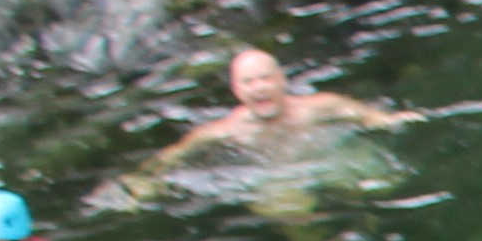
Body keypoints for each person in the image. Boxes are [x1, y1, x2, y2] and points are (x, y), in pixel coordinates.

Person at [166, 46, 412, 154]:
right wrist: (149, 178)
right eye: (248, 82)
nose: (259, 87)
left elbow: (361, 113)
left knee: (382, 181)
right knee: (286, 208)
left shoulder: (316, 107)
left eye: (265, 78)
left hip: (327, 158)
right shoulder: (230, 129)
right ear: (236, 91)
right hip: (280, 177)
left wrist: (388, 120)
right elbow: (179, 151)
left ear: (282, 81)